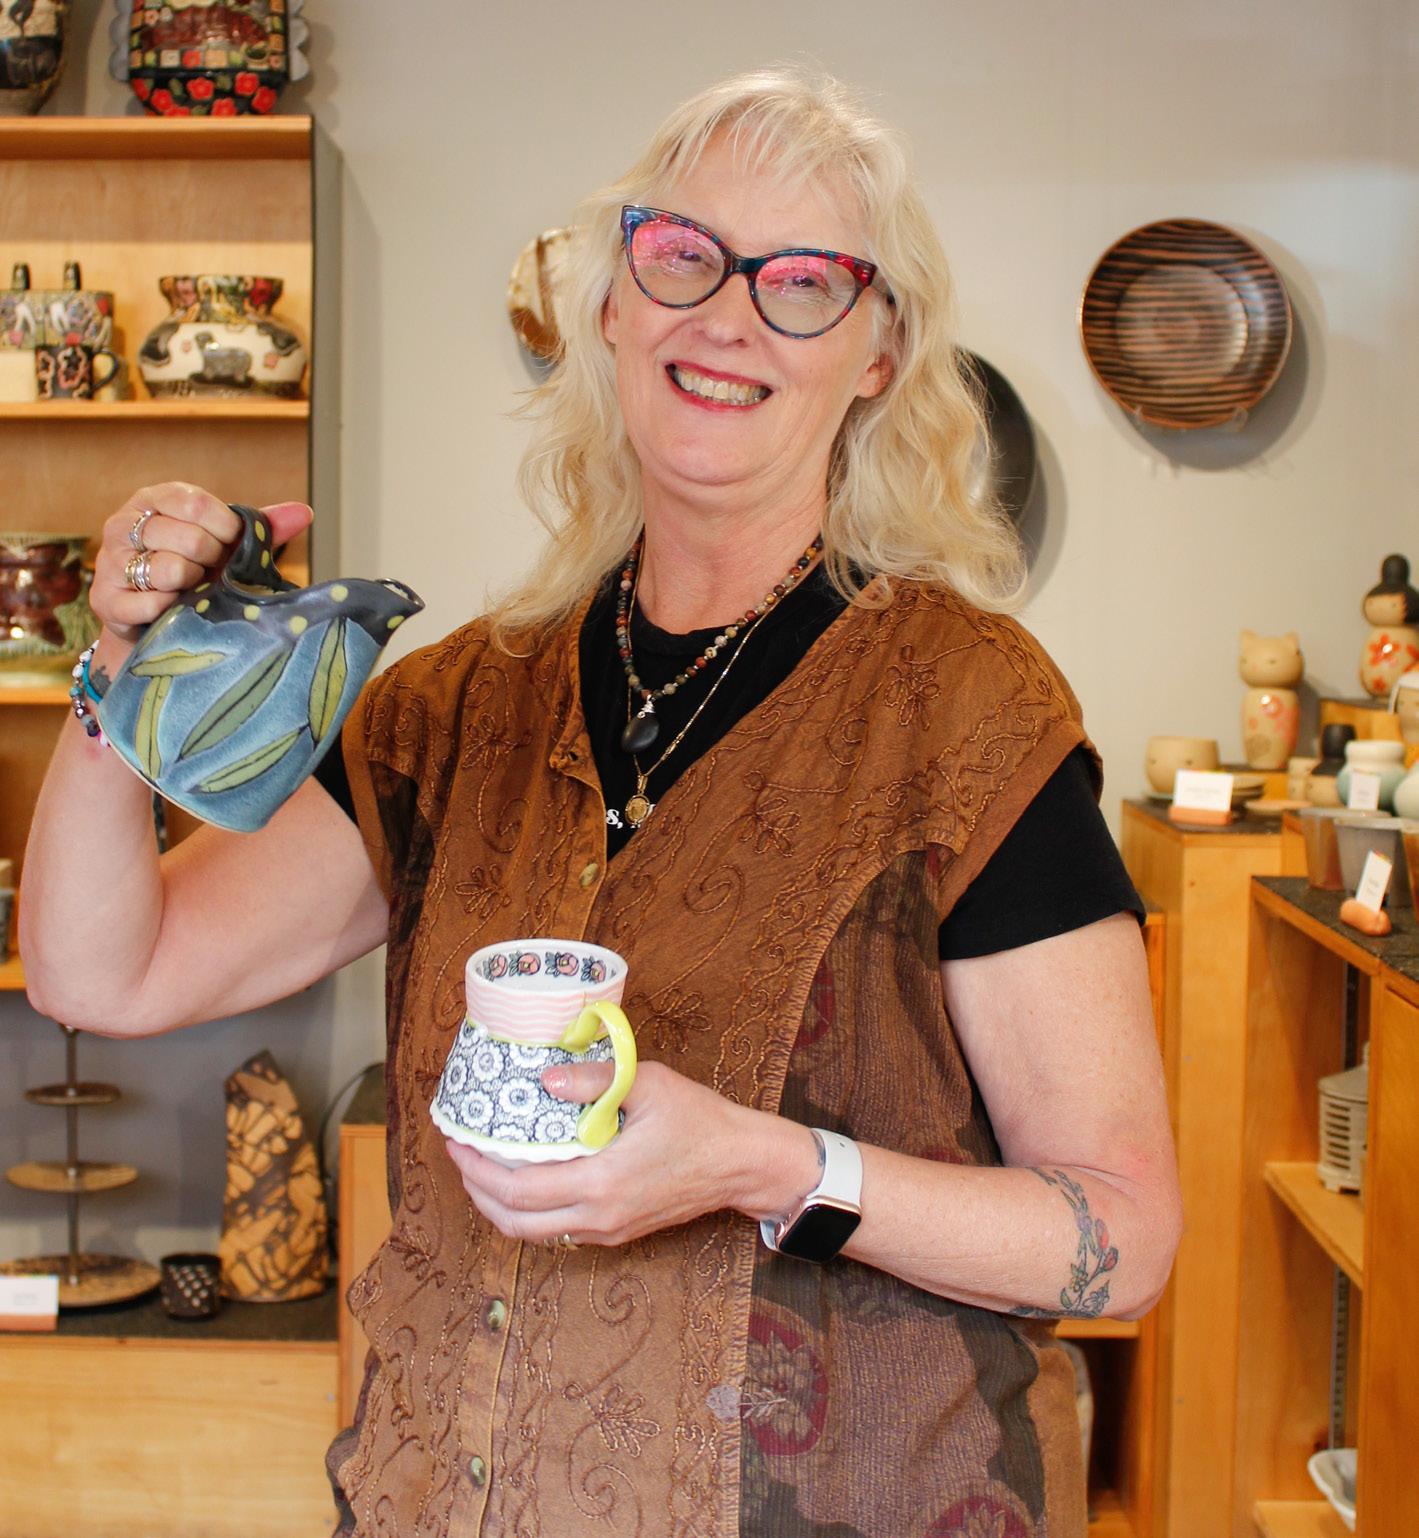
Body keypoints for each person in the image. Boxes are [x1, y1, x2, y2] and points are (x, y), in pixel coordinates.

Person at [22, 66, 1181, 1538]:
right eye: (683, 254)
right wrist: (122, 674)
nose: (728, 315)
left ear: (878, 351)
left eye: (803, 281)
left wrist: (768, 1164)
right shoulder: (455, 707)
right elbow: (102, 972)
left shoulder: (968, 713)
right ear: (616, 304)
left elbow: (1123, 1235)